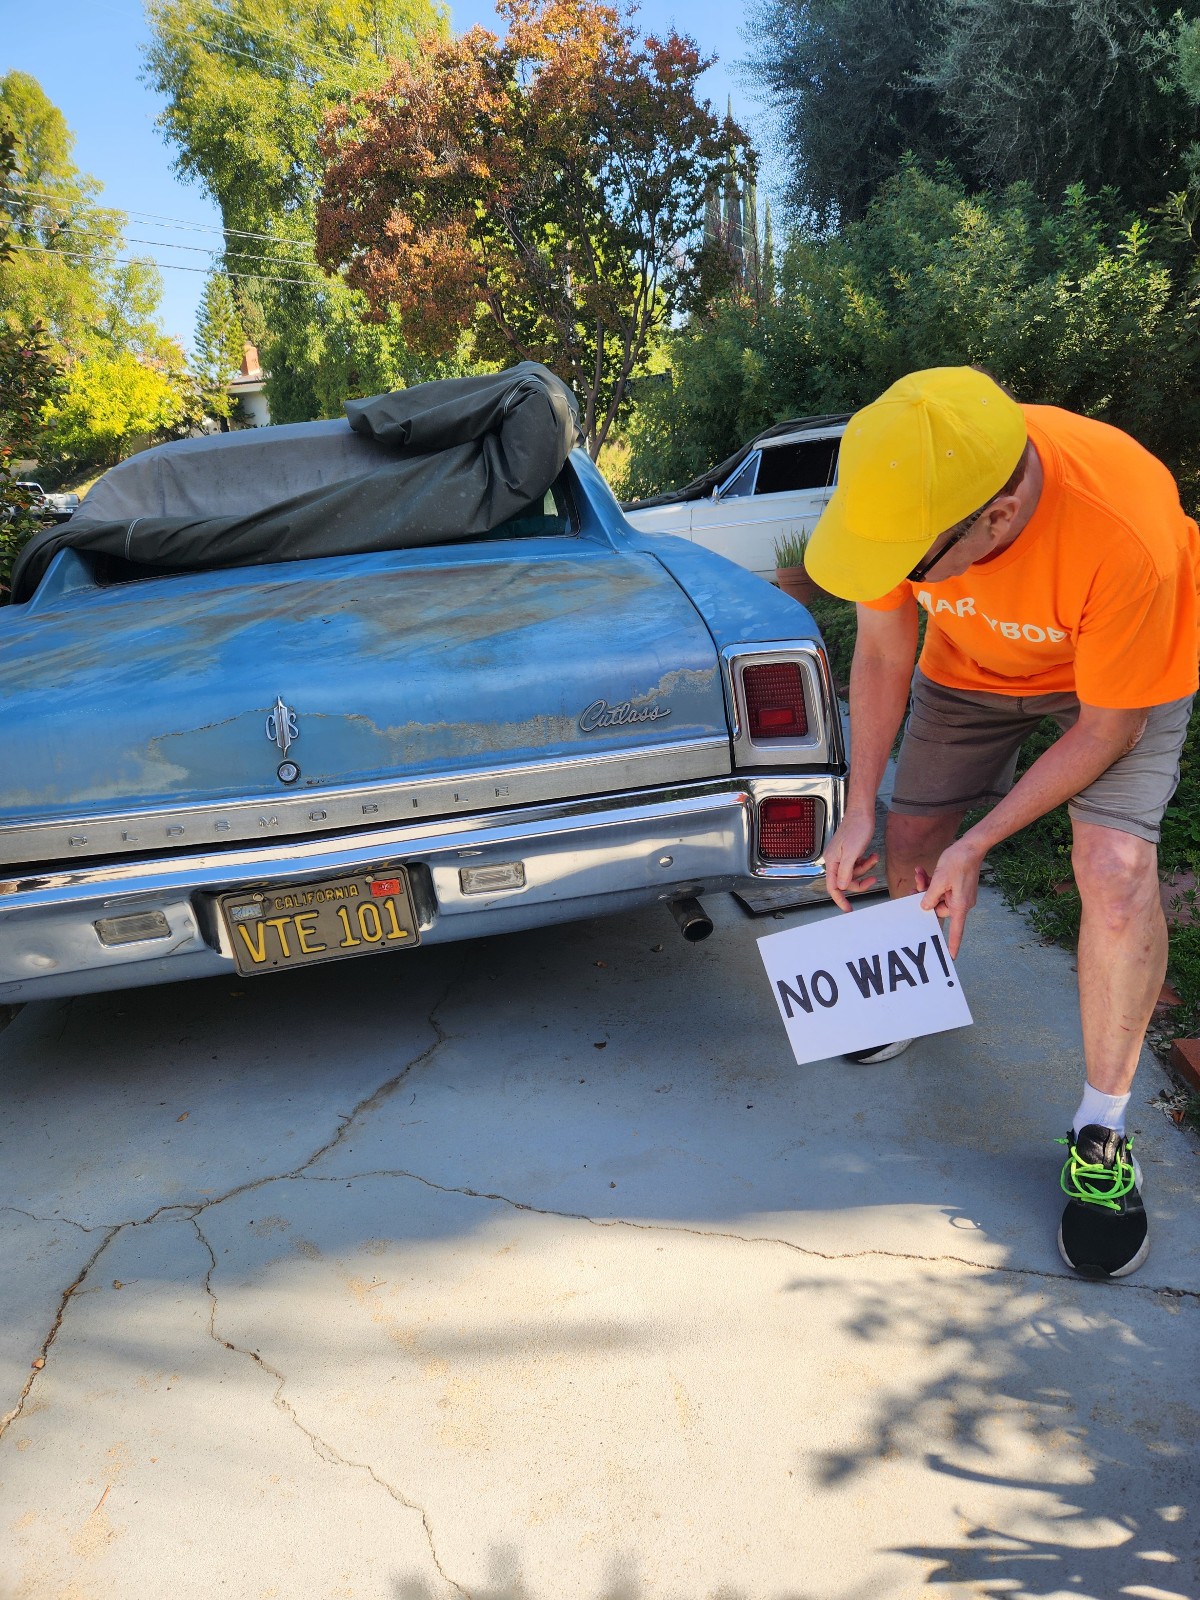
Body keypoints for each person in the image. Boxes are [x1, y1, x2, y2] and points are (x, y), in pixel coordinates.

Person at [804, 366, 1200, 1281]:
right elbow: (882, 651)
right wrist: (862, 804)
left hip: (1117, 681)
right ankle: (910, 990)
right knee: (911, 838)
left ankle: (1100, 1132)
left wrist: (981, 844)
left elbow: (1108, 729)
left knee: (1114, 872)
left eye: (911, 561)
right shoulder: (916, 478)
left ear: (998, 512)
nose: (896, 573)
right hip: (974, 671)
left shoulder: (1125, 528)